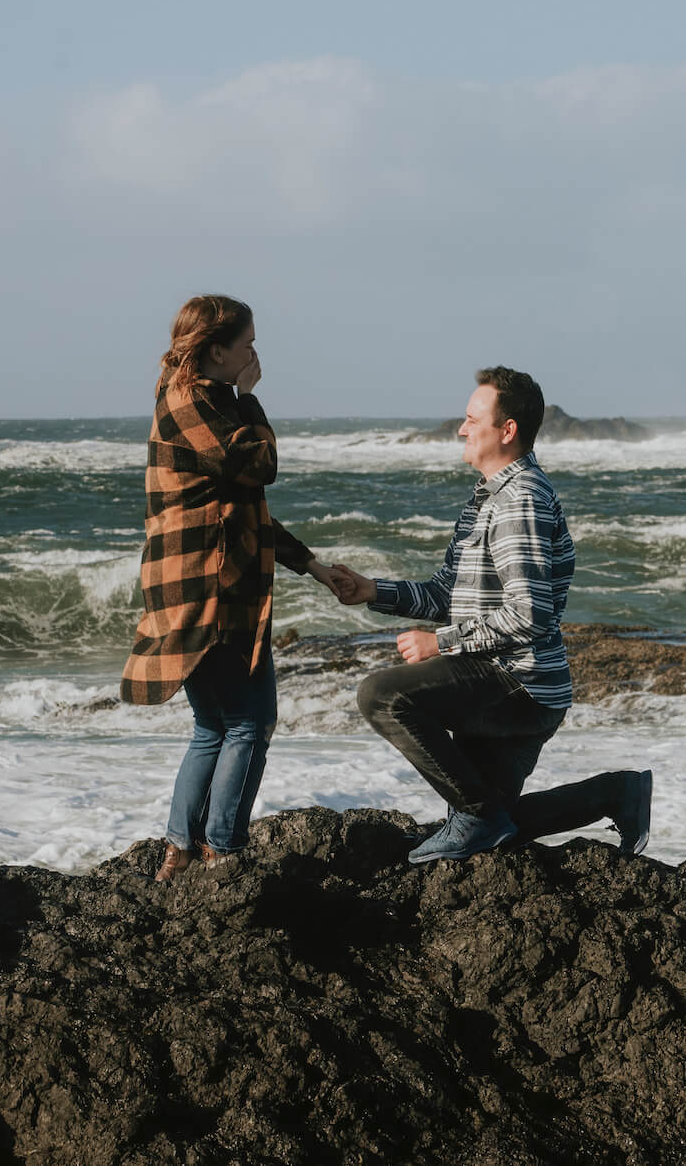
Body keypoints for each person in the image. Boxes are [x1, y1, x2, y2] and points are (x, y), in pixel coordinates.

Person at [330, 368, 653, 863]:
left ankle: (478, 816)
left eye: (471, 419)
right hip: (516, 685)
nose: (461, 428)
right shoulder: (488, 498)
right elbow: (446, 594)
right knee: (494, 831)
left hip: (517, 683)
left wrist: (440, 644)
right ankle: (617, 793)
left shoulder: (520, 500)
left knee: (381, 695)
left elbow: (529, 615)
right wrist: (373, 591)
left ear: (507, 430)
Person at [121, 295, 348, 881]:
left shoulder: (198, 398)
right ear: (217, 351)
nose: (255, 353)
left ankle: (180, 852)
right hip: (207, 589)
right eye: (247, 343)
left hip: (202, 585)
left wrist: (311, 564)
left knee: (214, 725)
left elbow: (242, 505)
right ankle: (221, 851)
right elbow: (260, 464)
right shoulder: (191, 402)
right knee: (249, 722)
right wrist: (249, 396)